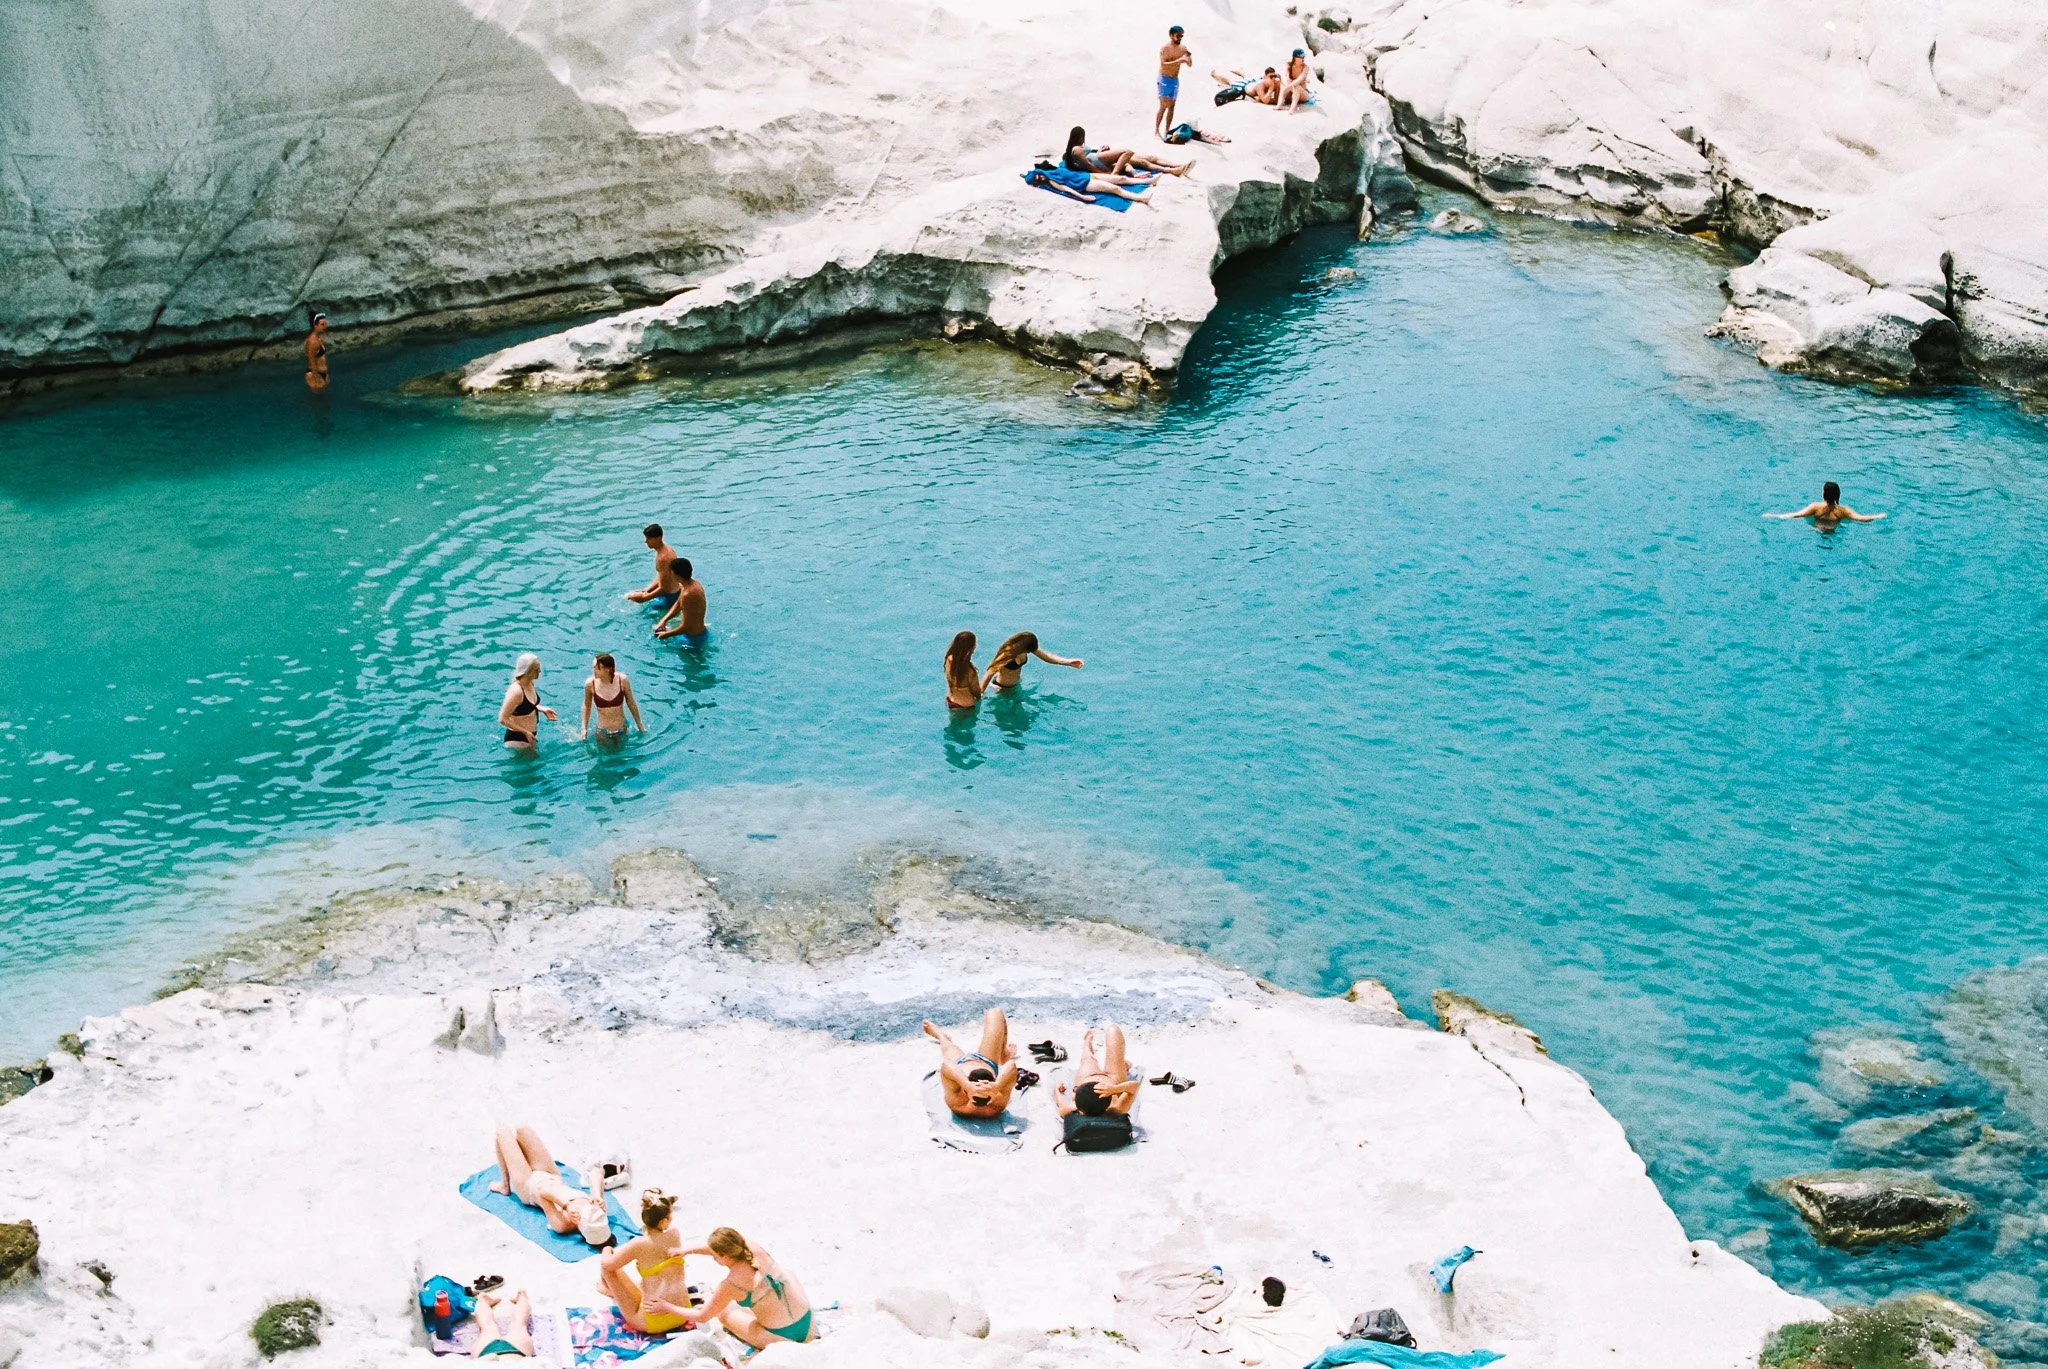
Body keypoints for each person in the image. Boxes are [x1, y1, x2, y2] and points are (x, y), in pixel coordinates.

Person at [677, 1228, 815, 1348]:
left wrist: (665, 1306)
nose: (713, 1258)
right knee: (787, 1274)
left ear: (724, 1257)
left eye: (714, 1256)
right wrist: (688, 1251)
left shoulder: (729, 1284)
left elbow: (702, 1317)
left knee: (724, 1313)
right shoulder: (754, 1248)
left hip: (783, 1338)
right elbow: (723, 1247)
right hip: (808, 1323)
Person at [488, 1125, 612, 1247]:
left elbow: (543, 1192)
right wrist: (597, 1194)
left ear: (580, 1227)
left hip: (529, 1185)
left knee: (502, 1133)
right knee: (522, 1129)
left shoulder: (562, 1224)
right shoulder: (596, 1216)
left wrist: (566, 1205)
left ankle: (504, 1185)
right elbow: (596, 1172)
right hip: (551, 1175)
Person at [598, 1190, 696, 1335]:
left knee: (606, 1266)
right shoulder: (674, 1234)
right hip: (683, 1313)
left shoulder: (638, 1244)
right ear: (663, 1221)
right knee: (648, 1282)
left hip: (652, 1322)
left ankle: (609, 1290)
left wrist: (606, 1248)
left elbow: (608, 1265)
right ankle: (611, 1291)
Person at [924, 1010, 1020, 1119]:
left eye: (978, 1086)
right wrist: (997, 1085)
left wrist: (966, 1084)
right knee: (995, 1012)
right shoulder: (997, 1104)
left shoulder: (958, 1103)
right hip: (987, 1061)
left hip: (959, 1064)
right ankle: (1004, 1053)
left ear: (966, 1092)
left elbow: (947, 1065)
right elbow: (1011, 1065)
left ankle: (941, 1036)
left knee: (947, 1045)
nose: (983, 1086)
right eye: (987, 1085)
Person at [1054, 1026, 1142, 1120]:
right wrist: (1114, 1089)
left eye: (1075, 1089)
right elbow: (1135, 1086)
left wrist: (1057, 1090)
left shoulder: (1072, 1108)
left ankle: (1087, 1041)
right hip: (1113, 1078)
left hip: (1087, 1076)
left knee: (1087, 1057)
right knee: (1113, 1030)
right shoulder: (1116, 1109)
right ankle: (1124, 1066)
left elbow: (1061, 1104)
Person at [1065, 126, 1192, 178]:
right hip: (1099, 161)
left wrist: (1100, 150)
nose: (1083, 138)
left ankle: (1176, 167)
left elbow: (1087, 159)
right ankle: (1172, 170)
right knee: (1127, 152)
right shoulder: (1076, 149)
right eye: (1082, 136)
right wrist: (1106, 174)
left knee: (1147, 159)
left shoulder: (1079, 148)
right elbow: (1087, 164)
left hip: (1100, 158)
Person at [982, 632, 1083, 693]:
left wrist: (1069, 662)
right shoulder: (1006, 655)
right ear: (1024, 649)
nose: (1030, 653)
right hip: (1001, 688)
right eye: (1029, 651)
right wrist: (981, 692)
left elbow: (1046, 657)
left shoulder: (1025, 647)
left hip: (1015, 685)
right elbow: (990, 672)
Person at [1026, 163, 1156, 207]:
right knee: (1115, 189)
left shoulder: (1050, 172)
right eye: (1039, 179)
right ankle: (1141, 199)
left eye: (1040, 175)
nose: (1042, 177)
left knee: (1121, 178)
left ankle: (1148, 181)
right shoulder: (1051, 181)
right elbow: (1066, 189)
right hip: (1085, 184)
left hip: (1086, 175)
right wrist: (1083, 197)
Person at [498, 654, 557, 751]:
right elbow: (502, 718)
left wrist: (541, 708)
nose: (540, 671)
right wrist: (525, 732)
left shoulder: (530, 682)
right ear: (527, 671)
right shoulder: (516, 691)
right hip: (517, 739)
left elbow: (524, 706)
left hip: (529, 736)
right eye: (536, 669)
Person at [581, 654, 646, 739]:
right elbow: (587, 705)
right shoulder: (590, 684)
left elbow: (630, 702)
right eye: (593, 667)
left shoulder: (622, 680)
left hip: (621, 729)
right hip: (602, 731)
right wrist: (584, 729)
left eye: (597, 668)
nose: (594, 671)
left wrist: (639, 724)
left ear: (607, 669)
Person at [1768, 481, 1886, 526]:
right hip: (1833, 533)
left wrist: (1774, 516)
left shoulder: (1815, 507)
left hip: (1817, 531)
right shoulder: (1843, 510)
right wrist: (1878, 516)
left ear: (1824, 494)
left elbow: (1796, 515)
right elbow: (1861, 519)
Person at [626, 525, 682, 607]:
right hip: (673, 592)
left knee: (646, 614)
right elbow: (663, 577)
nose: (646, 541)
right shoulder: (667, 549)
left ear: (658, 538)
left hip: (669, 597)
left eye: (648, 538)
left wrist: (644, 598)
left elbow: (664, 588)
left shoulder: (663, 558)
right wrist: (646, 590)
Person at [653, 559, 709, 641]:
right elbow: (679, 603)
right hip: (695, 634)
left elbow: (688, 627)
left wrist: (666, 634)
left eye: (671, 572)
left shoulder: (689, 594)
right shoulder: (690, 584)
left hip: (693, 640)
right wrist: (663, 621)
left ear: (677, 575)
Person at [472, 1289, 537, 1359]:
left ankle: (482, 1299)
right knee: (518, 1325)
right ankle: (522, 1296)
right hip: (513, 1356)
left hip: (486, 1357)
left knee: (487, 1328)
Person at [1156, 26, 1194, 141]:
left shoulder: (1183, 48)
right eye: (1178, 36)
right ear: (1171, 35)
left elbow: (1190, 64)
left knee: (1172, 107)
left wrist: (1188, 58)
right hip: (1164, 79)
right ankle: (1156, 131)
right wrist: (1178, 61)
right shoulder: (1165, 48)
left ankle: (1167, 131)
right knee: (1163, 106)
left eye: (1182, 35)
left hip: (1174, 79)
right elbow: (1163, 64)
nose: (1180, 38)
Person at [944, 631, 984, 710]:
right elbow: (976, 692)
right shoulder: (970, 670)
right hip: (966, 705)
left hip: (951, 701)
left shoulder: (949, 659)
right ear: (971, 648)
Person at [304, 312, 330, 393]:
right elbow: (311, 360)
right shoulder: (312, 341)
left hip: (322, 374)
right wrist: (316, 378)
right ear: (315, 325)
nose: (325, 327)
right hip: (315, 375)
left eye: (325, 324)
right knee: (316, 402)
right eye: (322, 324)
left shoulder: (318, 338)